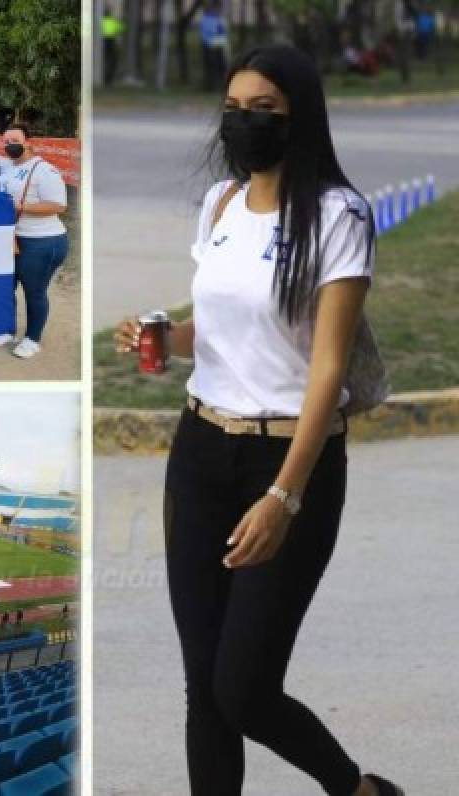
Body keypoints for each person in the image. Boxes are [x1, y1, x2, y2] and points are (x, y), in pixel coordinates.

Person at [114, 45, 401, 796]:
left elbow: (328, 369)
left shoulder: (339, 215)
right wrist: (157, 338)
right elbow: (215, 330)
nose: (243, 124)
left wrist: (285, 495)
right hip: (200, 451)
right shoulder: (219, 205)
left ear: (299, 118)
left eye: (263, 111)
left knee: (242, 688)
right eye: (233, 110)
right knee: (202, 687)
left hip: (289, 460)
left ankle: (361, 791)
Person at [0, 124, 69, 360]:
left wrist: (22, 207)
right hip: (11, 239)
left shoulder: (44, 171)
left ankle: (32, 338)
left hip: (41, 240)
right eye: (6, 140)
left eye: (15, 139)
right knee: (6, 286)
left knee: (34, 291)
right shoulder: (6, 170)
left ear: (28, 142)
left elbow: (58, 205)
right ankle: (6, 329)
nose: (10, 144)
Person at [200, 1, 229, 92]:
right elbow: (210, 32)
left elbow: (222, 32)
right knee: (212, 67)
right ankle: (212, 87)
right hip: (210, 45)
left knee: (221, 66)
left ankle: (221, 86)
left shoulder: (218, 18)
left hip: (218, 44)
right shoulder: (207, 18)